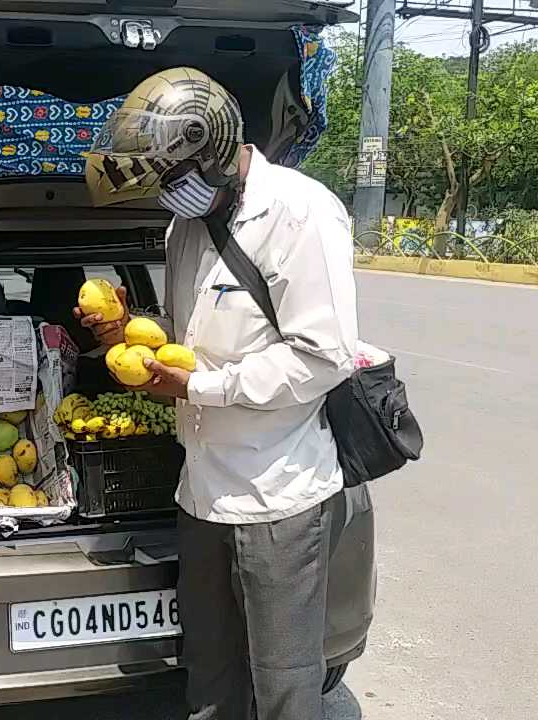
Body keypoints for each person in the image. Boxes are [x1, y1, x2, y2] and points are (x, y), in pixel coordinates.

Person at [78, 68, 359, 720]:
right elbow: (187, 340)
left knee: (284, 687)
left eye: (173, 180)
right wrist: (125, 329)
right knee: (208, 681)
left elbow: (325, 355)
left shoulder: (301, 212)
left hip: (277, 498)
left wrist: (202, 386)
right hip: (201, 494)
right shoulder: (187, 228)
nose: (165, 197)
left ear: (214, 153)